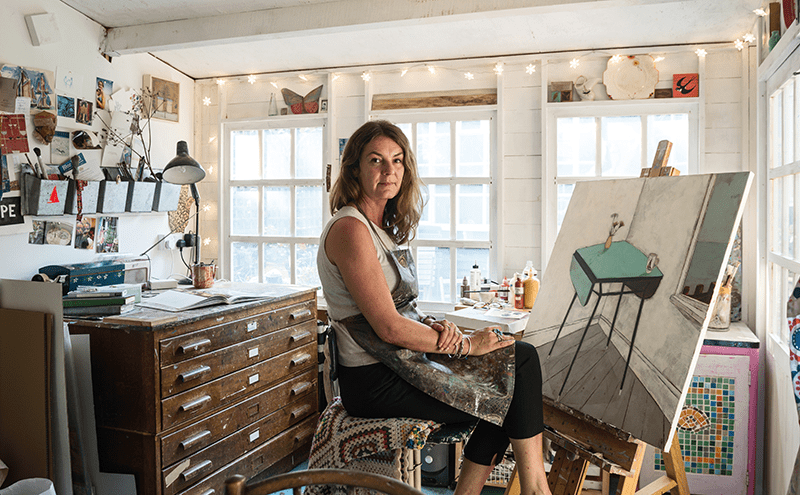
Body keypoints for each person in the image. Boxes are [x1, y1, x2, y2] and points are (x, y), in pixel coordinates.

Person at [317, 120, 551, 495]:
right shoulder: (350, 229)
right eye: (376, 160)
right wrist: (467, 345)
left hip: (400, 363)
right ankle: (535, 490)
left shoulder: (379, 228)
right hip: (373, 380)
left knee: (515, 363)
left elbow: (400, 308)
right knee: (512, 379)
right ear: (354, 169)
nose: (388, 171)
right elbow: (389, 327)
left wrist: (434, 324)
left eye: (397, 160)